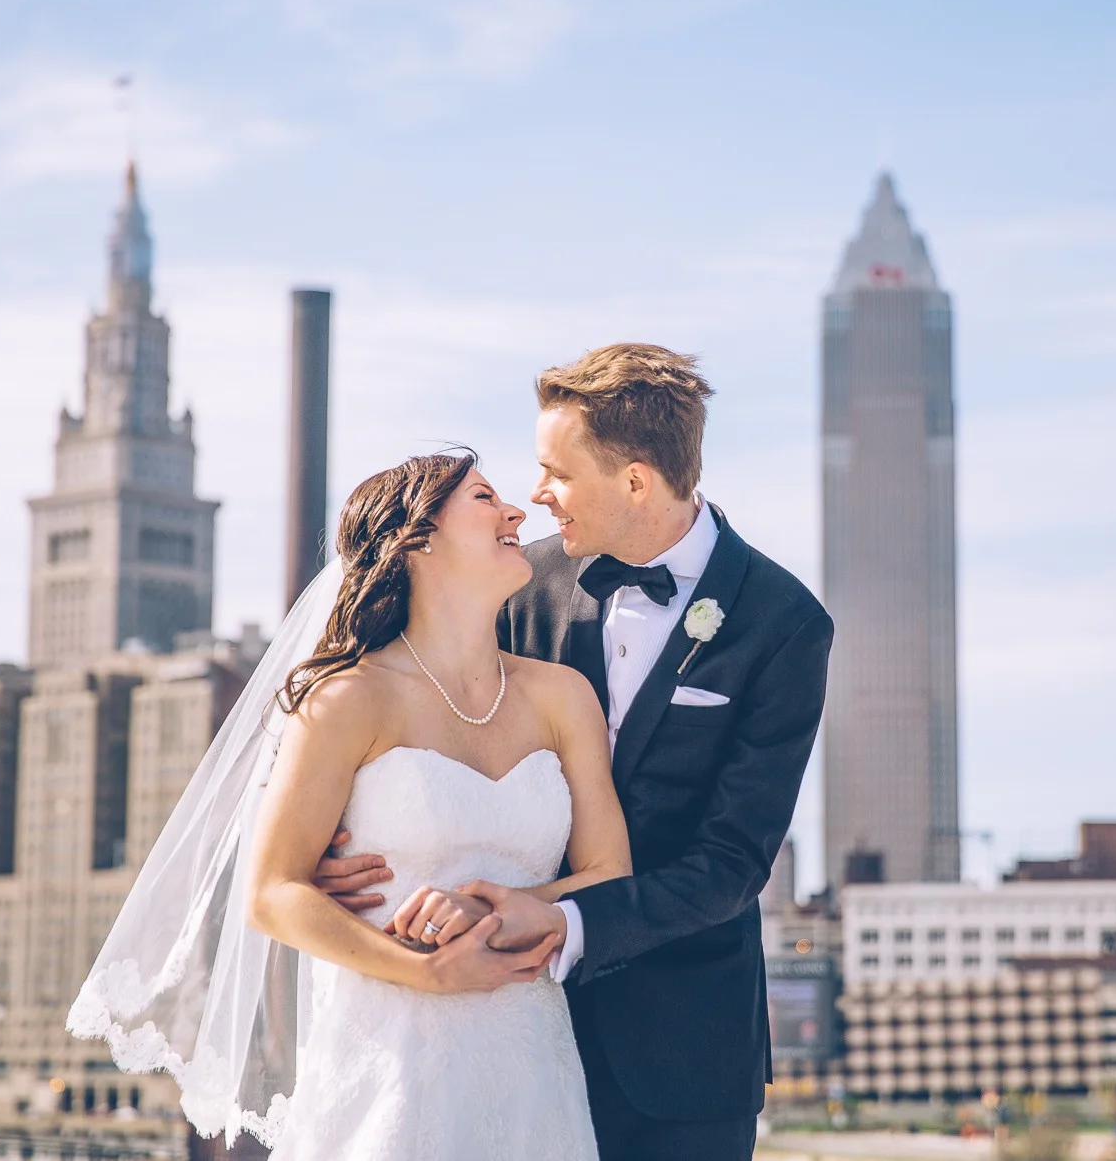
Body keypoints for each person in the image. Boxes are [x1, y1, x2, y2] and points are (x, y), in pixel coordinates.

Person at [316, 344, 834, 1160]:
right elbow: (418, 716)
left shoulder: (784, 622)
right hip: (495, 1026)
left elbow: (733, 860)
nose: (535, 492)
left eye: (555, 468)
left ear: (635, 480)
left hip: (683, 1056)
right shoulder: (518, 581)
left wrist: (566, 918)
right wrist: (343, 852)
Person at [70, 451, 626, 1160]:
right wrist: (426, 971)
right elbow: (272, 892)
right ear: (417, 538)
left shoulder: (561, 695)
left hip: (532, 1064)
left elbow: (611, 871)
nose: (517, 512)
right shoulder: (347, 698)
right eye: (486, 498)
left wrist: (508, 908)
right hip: (387, 1062)